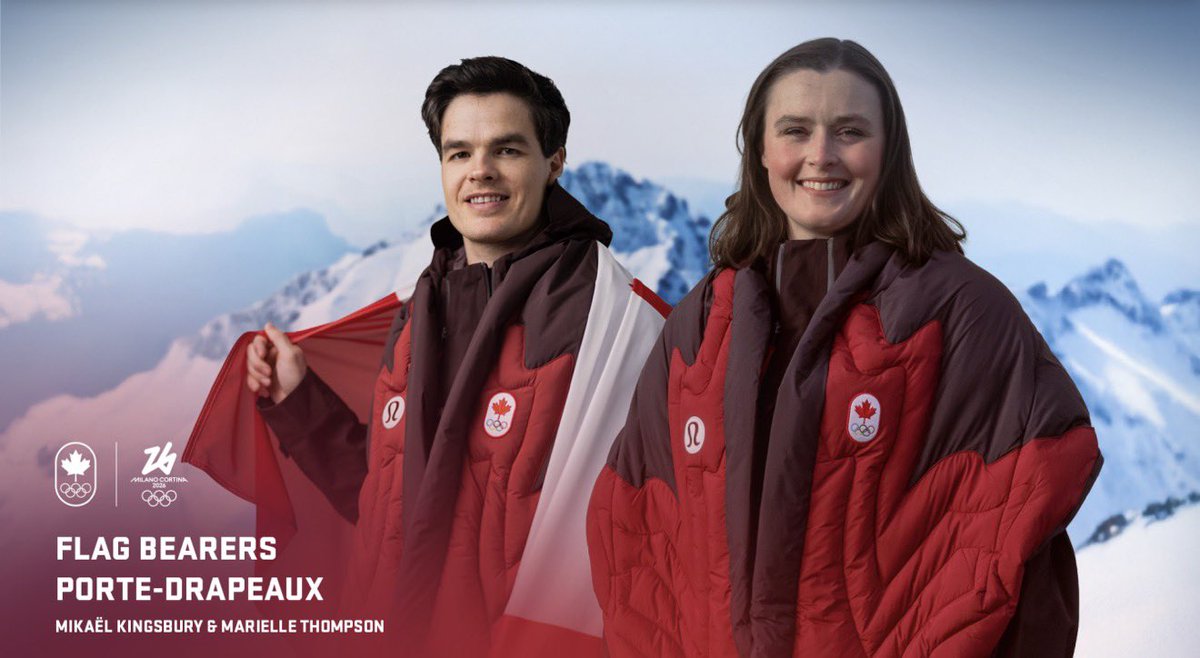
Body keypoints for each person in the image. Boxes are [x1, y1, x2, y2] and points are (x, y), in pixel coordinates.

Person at [587, 38, 1101, 658]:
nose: (820, 156)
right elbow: (636, 536)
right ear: (760, 152)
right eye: (795, 130)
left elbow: (1023, 538)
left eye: (850, 131)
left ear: (889, 153)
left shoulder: (961, 313)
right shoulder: (700, 323)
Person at [184, 56, 668, 658]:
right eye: (459, 153)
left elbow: (657, 543)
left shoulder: (614, 324)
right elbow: (386, 505)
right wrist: (299, 399)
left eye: (508, 150)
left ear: (555, 162)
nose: (480, 172)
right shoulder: (421, 311)